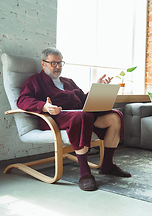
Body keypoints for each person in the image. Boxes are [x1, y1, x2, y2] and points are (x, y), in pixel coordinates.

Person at [17, 48, 131, 191]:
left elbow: (84, 100)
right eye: (53, 63)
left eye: (60, 63)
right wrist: (44, 107)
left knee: (115, 116)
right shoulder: (35, 81)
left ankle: (107, 165)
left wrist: (98, 89)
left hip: (80, 114)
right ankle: (84, 173)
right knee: (82, 116)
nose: (57, 66)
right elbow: (22, 100)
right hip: (55, 118)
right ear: (43, 63)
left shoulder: (68, 82)